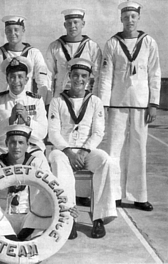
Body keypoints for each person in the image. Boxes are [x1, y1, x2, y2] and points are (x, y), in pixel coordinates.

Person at [0, 124, 78, 241]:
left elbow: (55, 190)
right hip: (2, 219)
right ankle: (8, 237)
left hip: (31, 219)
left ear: (28, 145)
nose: (16, 147)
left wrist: (67, 209)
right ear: (6, 143)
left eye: (21, 143)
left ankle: (27, 234)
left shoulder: (38, 164)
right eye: (12, 142)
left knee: (47, 192)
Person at [98, 1, 161, 211]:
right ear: (121, 19)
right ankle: (114, 195)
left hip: (141, 105)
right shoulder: (113, 43)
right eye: (126, 17)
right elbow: (105, 76)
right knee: (113, 149)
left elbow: (155, 73)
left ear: (138, 17)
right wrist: (103, 104)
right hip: (117, 103)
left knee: (138, 149)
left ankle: (139, 196)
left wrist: (153, 103)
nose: (130, 21)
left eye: (133, 17)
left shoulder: (149, 42)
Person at [48, 58, 119, 239]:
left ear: (89, 79)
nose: (79, 79)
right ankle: (68, 218)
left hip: (86, 151)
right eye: (76, 75)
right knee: (56, 160)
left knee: (106, 161)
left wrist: (84, 151)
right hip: (63, 150)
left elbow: (98, 132)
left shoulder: (95, 101)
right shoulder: (57, 101)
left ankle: (99, 218)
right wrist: (69, 152)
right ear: (69, 76)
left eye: (84, 76)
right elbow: (54, 132)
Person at [0, 56, 49, 172]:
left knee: (43, 169)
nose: (16, 81)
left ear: (26, 80)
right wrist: (9, 121)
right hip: (2, 147)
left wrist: (27, 120)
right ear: (7, 79)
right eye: (12, 77)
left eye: (20, 77)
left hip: (30, 147)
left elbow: (42, 132)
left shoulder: (36, 100)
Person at [0, 15, 51, 113]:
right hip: (3, 104)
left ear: (23, 30)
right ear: (5, 32)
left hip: (26, 105)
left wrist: (42, 104)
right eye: (9, 30)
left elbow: (42, 82)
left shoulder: (34, 53)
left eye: (16, 30)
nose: (12, 33)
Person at [46, 8, 102, 98]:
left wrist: (94, 99)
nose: (72, 26)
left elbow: (97, 76)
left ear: (83, 24)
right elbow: (48, 76)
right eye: (69, 23)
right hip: (60, 97)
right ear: (65, 25)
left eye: (76, 22)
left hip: (84, 97)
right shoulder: (55, 46)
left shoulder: (92, 47)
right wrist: (48, 100)